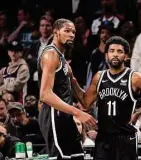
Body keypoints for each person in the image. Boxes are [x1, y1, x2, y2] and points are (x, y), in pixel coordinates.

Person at [80, 36, 141, 160]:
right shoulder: (99, 77)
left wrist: (138, 112)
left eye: (120, 51)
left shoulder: (135, 78)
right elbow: (86, 103)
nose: (115, 54)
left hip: (126, 138)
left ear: (126, 56)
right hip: (104, 139)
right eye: (112, 51)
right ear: (106, 55)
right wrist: (73, 82)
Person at [37, 18, 96, 159]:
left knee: (77, 156)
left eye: (74, 32)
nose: (72, 35)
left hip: (66, 115)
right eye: (67, 31)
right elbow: (45, 94)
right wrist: (78, 113)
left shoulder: (63, 60)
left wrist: (101, 84)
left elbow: (84, 100)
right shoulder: (51, 55)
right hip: (53, 114)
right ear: (56, 32)